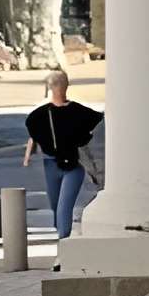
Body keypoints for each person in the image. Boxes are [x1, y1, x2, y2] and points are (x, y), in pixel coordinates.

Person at [22, 68, 103, 238]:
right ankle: (61, 235)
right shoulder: (41, 115)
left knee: (63, 206)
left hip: (71, 165)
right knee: (56, 206)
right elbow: (33, 136)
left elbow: (33, 135)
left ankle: (63, 240)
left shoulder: (43, 115)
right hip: (54, 163)